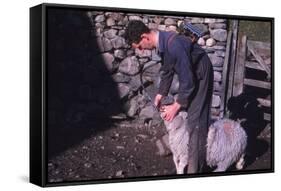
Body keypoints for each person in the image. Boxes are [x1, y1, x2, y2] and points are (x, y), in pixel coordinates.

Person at [124, 20, 213, 173]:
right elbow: (167, 70)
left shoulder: (174, 45)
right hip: (192, 73)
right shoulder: (163, 44)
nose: (140, 50)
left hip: (201, 72)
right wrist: (161, 93)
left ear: (144, 37)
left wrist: (176, 106)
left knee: (196, 122)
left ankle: (195, 170)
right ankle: (191, 162)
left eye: (138, 46)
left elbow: (188, 80)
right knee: (191, 118)